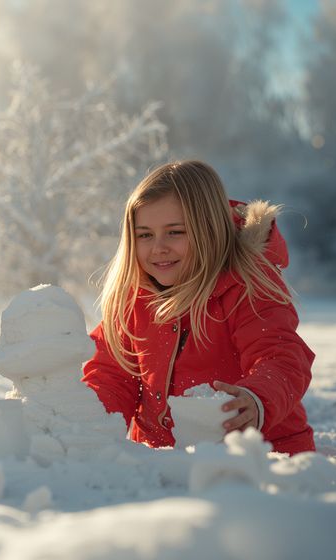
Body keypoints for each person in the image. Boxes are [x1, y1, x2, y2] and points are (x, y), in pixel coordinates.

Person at [82, 160, 315, 455]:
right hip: (163, 459)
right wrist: (89, 424)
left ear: (209, 230)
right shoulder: (134, 299)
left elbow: (280, 356)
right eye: (145, 235)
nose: (159, 247)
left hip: (261, 454)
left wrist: (257, 399)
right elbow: (111, 376)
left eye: (175, 232)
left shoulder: (246, 285)